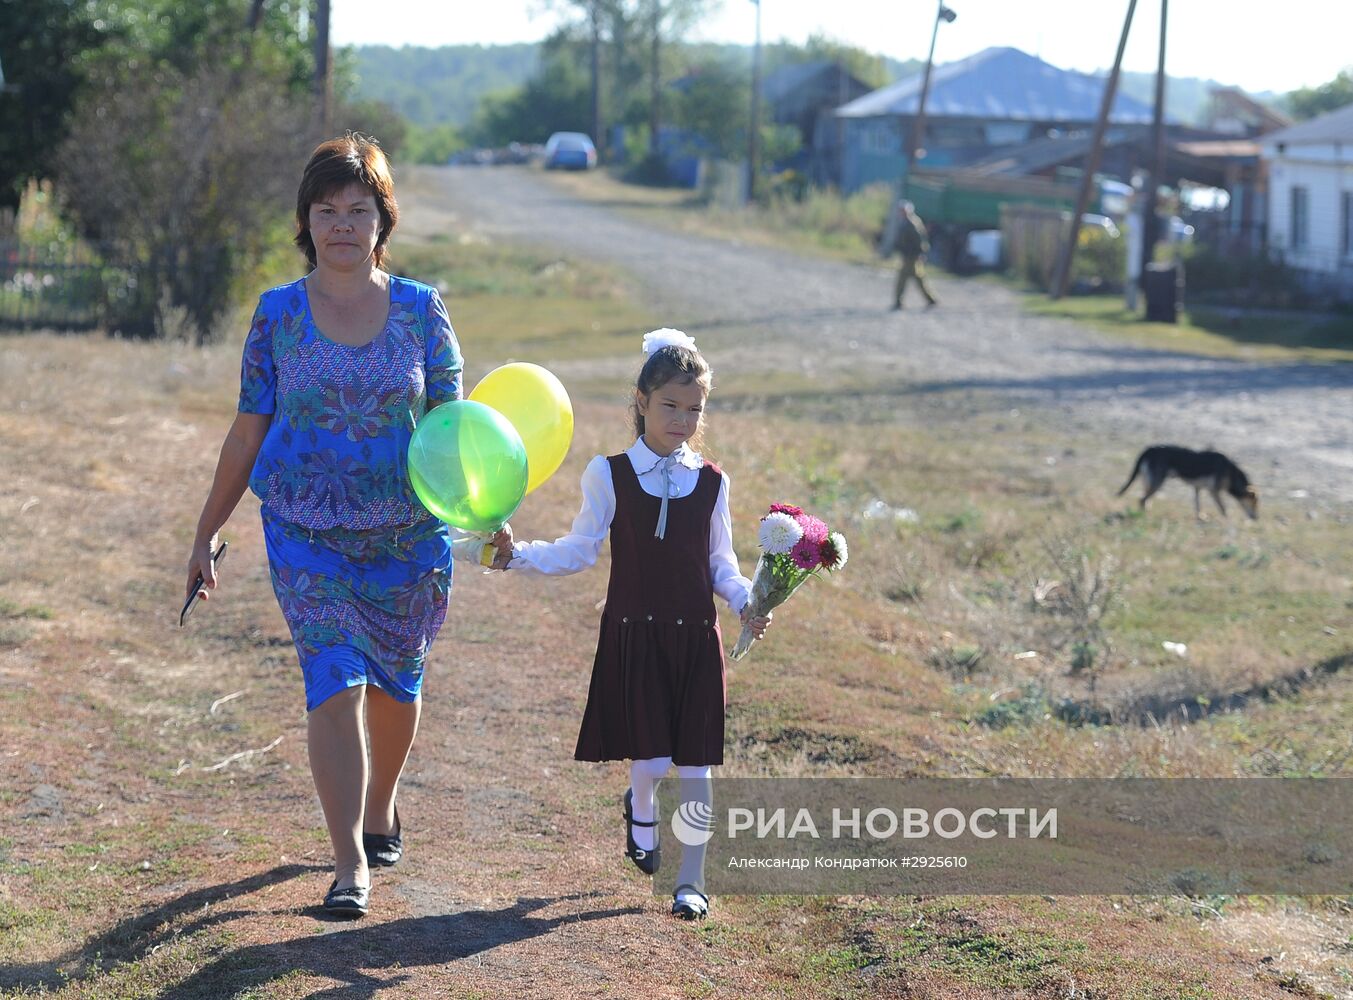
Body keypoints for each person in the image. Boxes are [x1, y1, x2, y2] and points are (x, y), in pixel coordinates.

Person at [184, 134, 509, 919]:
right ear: (306, 220)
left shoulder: (424, 311)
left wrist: (490, 515)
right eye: (325, 210)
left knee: (396, 688)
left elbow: (453, 429)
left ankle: (380, 805)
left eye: (356, 210)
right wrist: (205, 533)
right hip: (306, 533)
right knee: (335, 683)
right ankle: (348, 864)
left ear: (380, 220)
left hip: (408, 539)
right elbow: (246, 431)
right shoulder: (277, 316)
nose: (340, 224)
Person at [501, 329, 771, 921]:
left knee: (694, 766)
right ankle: (641, 808)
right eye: (670, 405)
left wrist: (748, 598)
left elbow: (719, 562)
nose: (682, 419)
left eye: (694, 408)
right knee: (650, 761)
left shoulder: (713, 481)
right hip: (637, 632)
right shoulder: (610, 474)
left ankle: (690, 879)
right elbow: (579, 550)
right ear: (642, 401)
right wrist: (516, 555)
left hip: (696, 636)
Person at [889, 200, 938, 310]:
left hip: (911, 256)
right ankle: (931, 300)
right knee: (919, 278)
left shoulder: (912, 223)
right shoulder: (906, 222)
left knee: (903, 278)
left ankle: (898, 302)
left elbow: (919, 241)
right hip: (908, 256)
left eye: (903, 210)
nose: (901, 212)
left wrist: (920, 253)